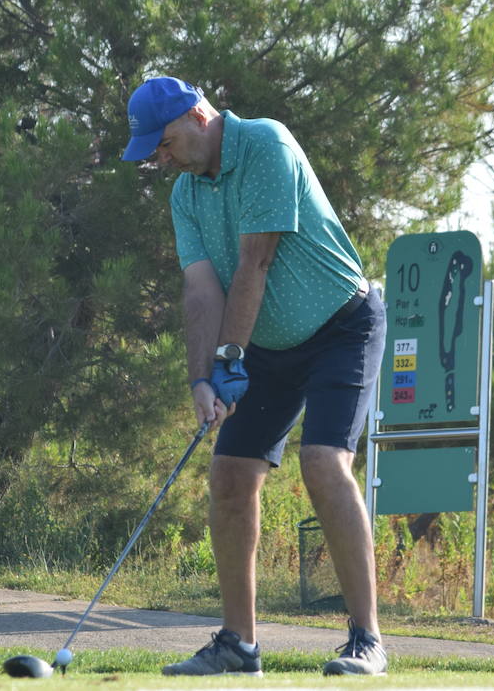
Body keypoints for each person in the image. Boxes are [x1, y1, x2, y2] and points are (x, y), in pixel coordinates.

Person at [121, 76, 388, 677]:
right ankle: (239, 645)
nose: (160, 160)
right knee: (231, 476)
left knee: (323, 463)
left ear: (196, 116)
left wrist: (230, 357)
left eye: (162, 144)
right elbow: (201, 288)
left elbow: (255, 260)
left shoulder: (266, 143)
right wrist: (201, 379)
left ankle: (366, 640)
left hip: (341, 326)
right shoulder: (186, 194)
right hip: (265, 345)